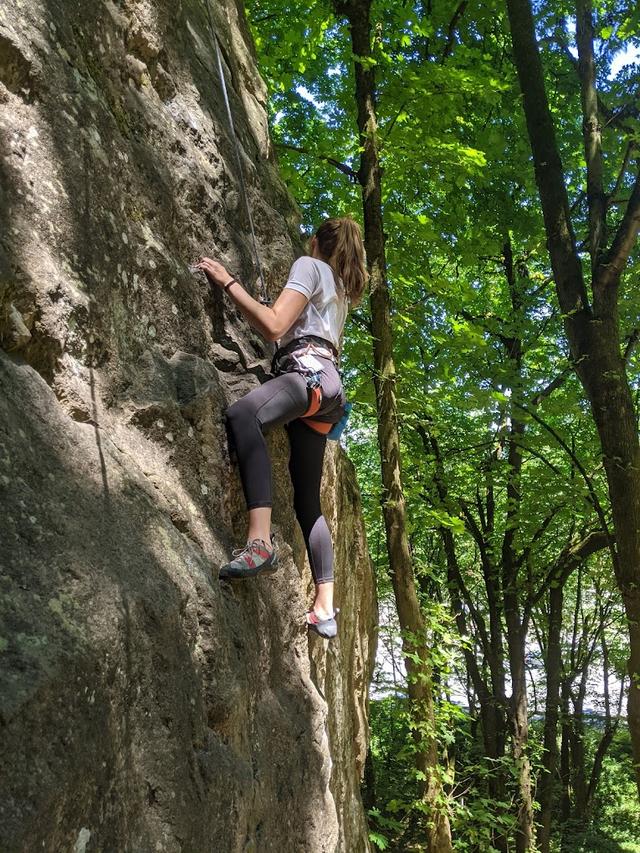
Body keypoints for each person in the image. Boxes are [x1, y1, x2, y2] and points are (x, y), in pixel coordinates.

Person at [194, 217, 367, 639]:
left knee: (243, 415)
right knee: (307, 499)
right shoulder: (340, 292)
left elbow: (273, 325)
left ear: (315, 243)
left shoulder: (311, 267)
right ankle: (324, 605)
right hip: (327, 390)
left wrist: (229, 283)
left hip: (306, 376)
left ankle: (259, 544)